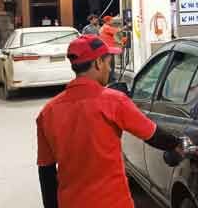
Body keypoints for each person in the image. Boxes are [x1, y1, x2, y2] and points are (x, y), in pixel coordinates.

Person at [36, 35, 184, 208]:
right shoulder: (114, 101)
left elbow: (46, 171)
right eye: (108, 62)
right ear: (98, 63)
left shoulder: (48, 112)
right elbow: (152, 134)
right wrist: (177, 144)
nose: (109, 68)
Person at [100, 16, 121, 82]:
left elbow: (109, 38)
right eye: (111, 20)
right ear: (107, 21)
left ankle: (110, 78)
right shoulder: (106, 27)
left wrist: (117, 42)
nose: (112, 21)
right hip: (108, 50)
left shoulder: (103, 27)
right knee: (111, 65)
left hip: (107, 49)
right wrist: (126, 27)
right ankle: (110, 80)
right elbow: (116, 30)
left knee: (109, 65)